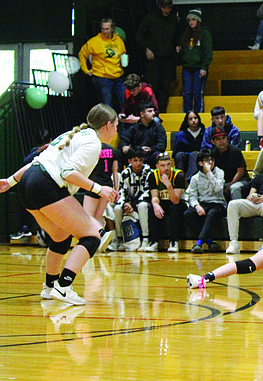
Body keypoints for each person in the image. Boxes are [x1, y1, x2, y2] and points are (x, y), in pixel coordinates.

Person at [0, 104, 118, 305]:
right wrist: (99, 189)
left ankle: (49, 286)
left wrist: (11, 181)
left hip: (28, 183)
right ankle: (63, 287)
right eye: (116, 126)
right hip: (45, 185)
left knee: (60, 237)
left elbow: (37, 161)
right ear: (107, 125)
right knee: (92, 235)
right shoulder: (93, 143)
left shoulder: (74, 135)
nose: (116, 131)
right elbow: (67, 172)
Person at [136, 0, 180, 113]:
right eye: (164, 7)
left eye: (168, 8)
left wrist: (177, 45)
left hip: (167, 58)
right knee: (152, 87)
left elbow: (177, 35)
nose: (166, 10)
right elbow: (139, 35)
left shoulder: (174, 19)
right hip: (153, 59)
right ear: (159, 7)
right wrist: (146, 49)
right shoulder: (150, 18)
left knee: (165, 87)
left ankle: (162, 112)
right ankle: (150, 112)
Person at [78, 18, 127, 111]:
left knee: (124, 103)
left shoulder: (118, 40)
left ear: (112, 29)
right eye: (102, 29)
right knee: (107, 105)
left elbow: (123, 53)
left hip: (118, 76)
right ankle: (107, 124)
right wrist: (86, 70)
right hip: (102, 77)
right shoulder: (94, 41)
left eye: (107, 29)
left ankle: (124, 124)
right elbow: (82, 54)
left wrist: (124, 60)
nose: (104, 31)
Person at [183, 149, 227, 254]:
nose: (211, 162)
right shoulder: (195, 178)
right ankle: (209, 241)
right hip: (204, 204)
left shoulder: (220, 172)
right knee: (187, 214)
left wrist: (209, 174)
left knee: (211, 213)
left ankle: (199, 242)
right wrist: (197, 206)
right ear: (201, 163)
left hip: (218, 203)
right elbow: (192, 196)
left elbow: (218, 189)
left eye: (212, 160)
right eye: (207, 160)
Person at [113, 148, 152, 252]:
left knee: (142, 206)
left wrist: (133, 204)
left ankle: (146, 239)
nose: (138, 163)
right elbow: (121, 192)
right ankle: (120, 239)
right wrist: (125, 203)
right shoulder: (125, 173)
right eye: (135, 160)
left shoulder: (148, 172)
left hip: (144, 203)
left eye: (140, 160)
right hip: (129, 203)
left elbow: (148, 192)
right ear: (129, 161)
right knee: (117, 208)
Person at [146, 152, 187, 253]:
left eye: (168, 164)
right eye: (163, 165)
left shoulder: (178, 176)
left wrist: (168, 185)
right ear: (157, 166)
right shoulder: (153, 175)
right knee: (152, 208)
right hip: (163, 203)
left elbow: (176, 200)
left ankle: (174, 241)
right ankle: (153, 241)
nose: (166, 168)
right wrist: (155, 204)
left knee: (174, 208)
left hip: (178, 203)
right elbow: (155, 196)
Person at [83, 142, 119, 253]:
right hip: (108, 185)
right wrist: (116, 190)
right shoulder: (112, 149)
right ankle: (98, 242)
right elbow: (115, 171)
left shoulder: (92, 147)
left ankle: (102, 234)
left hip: (94, 185)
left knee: (87, 216)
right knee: (98, 216)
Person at [180, 8, 213, 113]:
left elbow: (208, 51)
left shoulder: (205, 33)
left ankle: (198, 114)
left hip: (199, 67)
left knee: (197, 92)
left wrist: (204, 67)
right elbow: (184, 48)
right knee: (187, 93)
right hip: (187, 67)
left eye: (193, 20)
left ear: (198, 21)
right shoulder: (186, 33)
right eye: (189, 20)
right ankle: (187, 114)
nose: (191, 22)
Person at [118, 101, 167, 167]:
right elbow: (123, 140)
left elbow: (162, 145)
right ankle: (120, 175)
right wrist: (124, 146)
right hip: (136, 154)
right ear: (142, 114)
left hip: (151, 155)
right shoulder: (134, 127)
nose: (153, 113)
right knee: (119, 154)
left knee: (157, 155)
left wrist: (150, 149)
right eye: (150, 111)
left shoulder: (158, 127)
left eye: (153, 111)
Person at [210, 127, 251, 201]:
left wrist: (228, 187)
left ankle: (237, 210)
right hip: (223, 182)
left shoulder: (235, 151)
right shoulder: (213, 154)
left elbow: (240, 172)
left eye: (223, 138)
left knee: (234, 188)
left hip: (240, 181)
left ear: (227, 138)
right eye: (218, 139)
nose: (221, 141)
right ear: (213, 141)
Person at [172, 110, 205, 180]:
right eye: (190, 119)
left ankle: (191, 180)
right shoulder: (180, 134)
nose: (193, 120)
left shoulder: (204, 132)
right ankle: (179, 179)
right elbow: (175, 153)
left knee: (194, 154)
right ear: (187, 121)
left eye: (195, 118)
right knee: (179, 155)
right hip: (184, 160)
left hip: (199, 160)